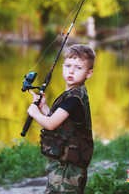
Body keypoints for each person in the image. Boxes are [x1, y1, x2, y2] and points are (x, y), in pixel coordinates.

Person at [27, 44, 96, 194]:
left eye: (78, 68)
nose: (71, 71)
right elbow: (58, 123)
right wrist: (43, 108)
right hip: (62, 162)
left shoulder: (74, 99)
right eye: (68, 65)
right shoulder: (72, 94)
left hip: (68, 168)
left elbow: (51, 124)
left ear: (88, 73)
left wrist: (34, 113)